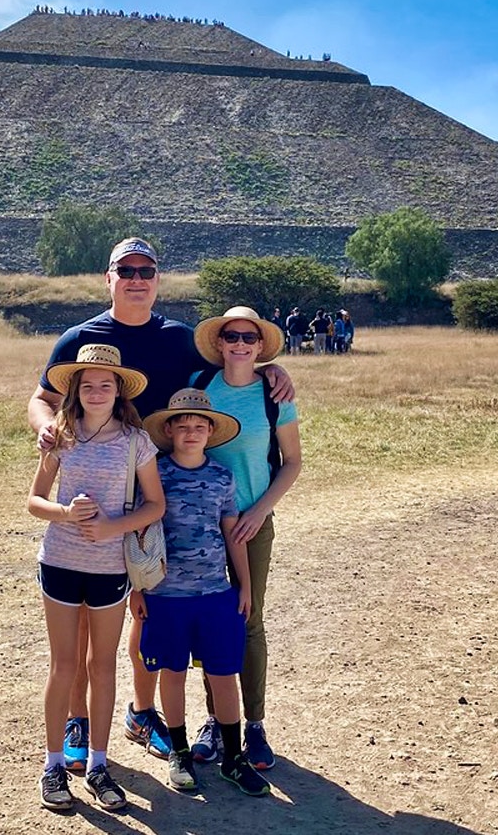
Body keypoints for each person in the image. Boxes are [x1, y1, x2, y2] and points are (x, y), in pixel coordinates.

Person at [27, 238, 295, 772]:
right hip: (100, 498)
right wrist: (48, 433)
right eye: (125, 270)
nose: (136, 278)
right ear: (108, 278)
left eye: (145, 270)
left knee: (155, 610)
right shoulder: (79, 339)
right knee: (96, 620)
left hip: (165, 499)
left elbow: (228, 364)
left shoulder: (178, 340)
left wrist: (271, 370)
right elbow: (43, 400)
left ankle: (160, 715)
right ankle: (89, 717)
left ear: (157, 279)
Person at [28, 344, 165, 812]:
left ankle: (100, 765)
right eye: (87, 384)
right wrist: (65, 514)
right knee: (63, 666)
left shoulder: (135, 440)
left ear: (119, 391)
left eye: (106, 384)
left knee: (102, 665)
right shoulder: (59, 435)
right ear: (75, 391)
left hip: (109, 568)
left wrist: (111, 527)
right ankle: (52, 767)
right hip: (60, 563)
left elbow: (155, 505)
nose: (96, 391)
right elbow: (34, 501)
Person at [184, 306, 303, 771]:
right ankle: (215, 721)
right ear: (219, 343)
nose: (239, 344)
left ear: (260, 345)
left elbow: (292, 461)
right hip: (200, 524)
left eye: (249, 338)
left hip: (252, 523)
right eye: (231, 336)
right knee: (208, 622)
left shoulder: (275, 395)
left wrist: (259, 511)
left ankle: (254, 725)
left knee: (249, 621)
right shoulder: (199, 385)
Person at [136, 388, 270, 797]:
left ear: (211, 432)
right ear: (170, 430)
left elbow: (233, 534)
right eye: (183, 426)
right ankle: (178, 751)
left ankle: (233, 757)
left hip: (215, 593)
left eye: (200, 426)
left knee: (223, 675)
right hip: (164, 594)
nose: (191, 432)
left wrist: (244, 584)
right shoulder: (153, 475)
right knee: (172, 673)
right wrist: (136, 590)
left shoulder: (221, 477)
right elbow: (138, 534)